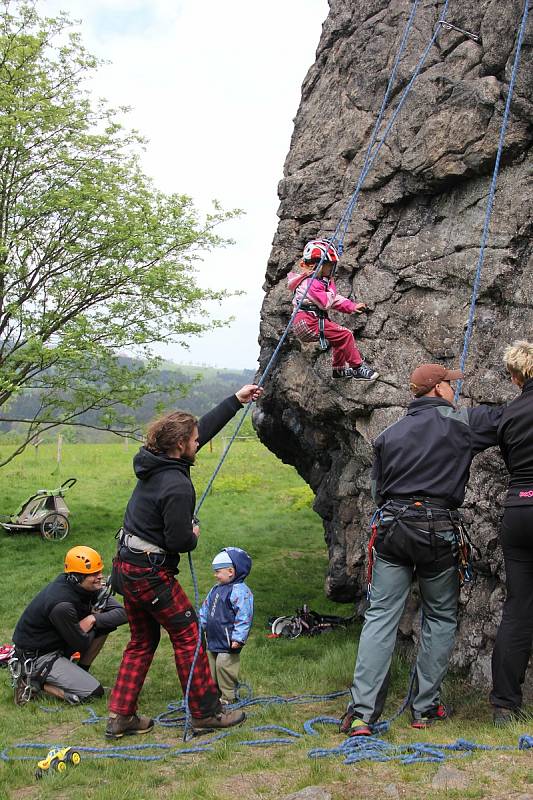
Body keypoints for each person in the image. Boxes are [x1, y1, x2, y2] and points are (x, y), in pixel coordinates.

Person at [342, 363, 505, 736]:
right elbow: (506, 419)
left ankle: (363, 714)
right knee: (440, 617)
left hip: (393, 530)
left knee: (381, 616)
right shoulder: (463, 424)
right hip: (437, 532)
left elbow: (377, 494)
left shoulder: (388, 435)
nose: (455, 390)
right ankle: (425, 708)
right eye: (450, 384)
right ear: (437, 390)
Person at [106, 384, 262, 739]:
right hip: (150, 573)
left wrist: (235, 401)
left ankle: (120, 717)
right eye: (193, 441)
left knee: (142, 641)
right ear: (180, 446)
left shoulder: (154, 460)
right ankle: (205, 713)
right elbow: (179, 540)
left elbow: (201, 429)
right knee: (190, 634)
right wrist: (193, 533)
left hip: (127, 566)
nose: (198, 443)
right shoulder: (176, 485)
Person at [11, 545, 127, 706]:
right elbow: (81, 643)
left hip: (57, 645)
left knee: (103, 625)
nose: (100, 577)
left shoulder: (85, 586)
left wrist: (92, 618)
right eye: (93, 574)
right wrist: (92, 620)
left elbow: (122, 613)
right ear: (77, 577)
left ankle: (81, 672)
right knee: (94, 693)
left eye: (99, 571)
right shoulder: (62, 605)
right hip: (38, 656)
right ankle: (33, 681)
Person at [490, 341, 533, 726]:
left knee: (519, 609)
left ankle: (504, 704)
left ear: (516, 376)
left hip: (517, 509)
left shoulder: (508, 415)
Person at [287, 238, 379, 381]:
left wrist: (352, 307)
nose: (332, 270)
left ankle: (339, 370)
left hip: (306, 322)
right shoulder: (309, 283)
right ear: (318, 266)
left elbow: (335, 299)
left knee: (339, 339)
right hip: (309, 322)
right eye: (329, 266)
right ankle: (358, 367)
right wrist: (331, 284)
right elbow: (327, 302)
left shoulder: (314, 282)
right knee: (346, 335)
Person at [199, 547, 254, 704]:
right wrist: (199, 626)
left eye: (218, 571)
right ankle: (213, 694)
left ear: (230, 571)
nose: (215, 575)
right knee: (211, 666)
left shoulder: (240, 592)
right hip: (213, 639)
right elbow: (206, 609)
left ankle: (228, 696)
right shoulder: (215, 590)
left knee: (224, 666)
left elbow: (245, 616)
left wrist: (239, 637)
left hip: (229, 640)